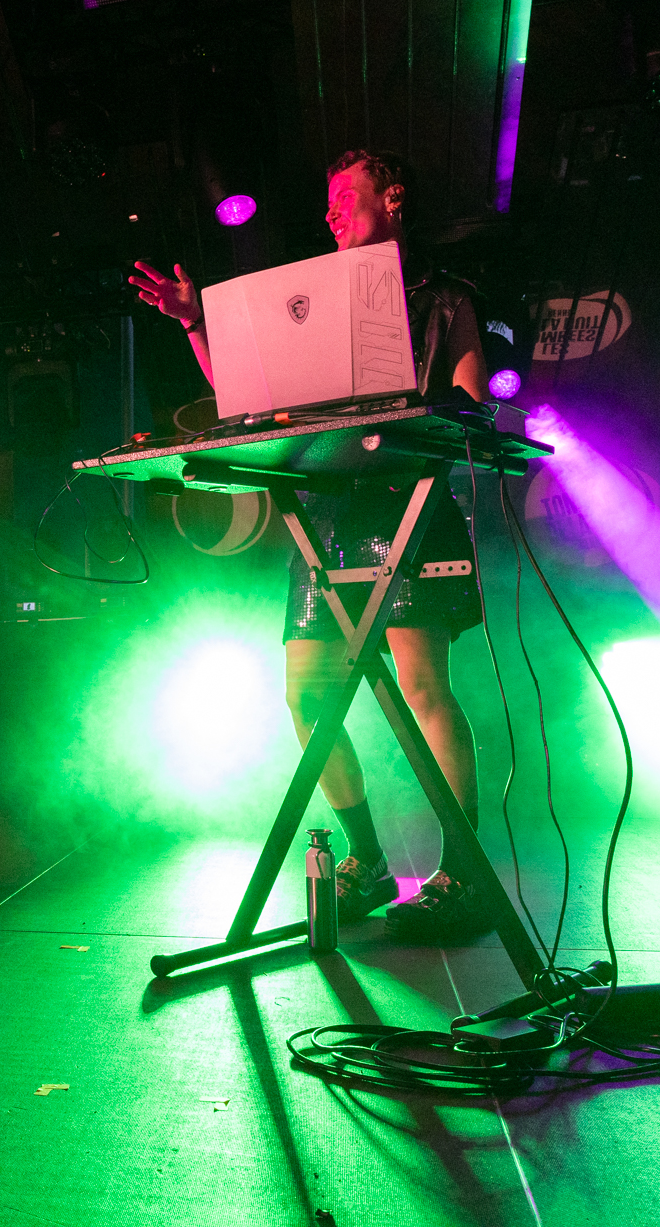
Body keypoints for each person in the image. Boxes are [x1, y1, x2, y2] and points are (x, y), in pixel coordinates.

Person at [129, 149, 491, 942]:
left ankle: (464, 873)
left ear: (392, 198)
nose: (330, 213)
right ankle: (368, 860)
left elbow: (470, 401)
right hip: (328, 516)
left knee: (422, 688)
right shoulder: (315, 302)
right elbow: (247, 392)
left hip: (407, 504)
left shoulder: (446, 299)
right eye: (326, 203)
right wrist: (194, 321)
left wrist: (428, 417)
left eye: (344, 197)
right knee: (306, 695)